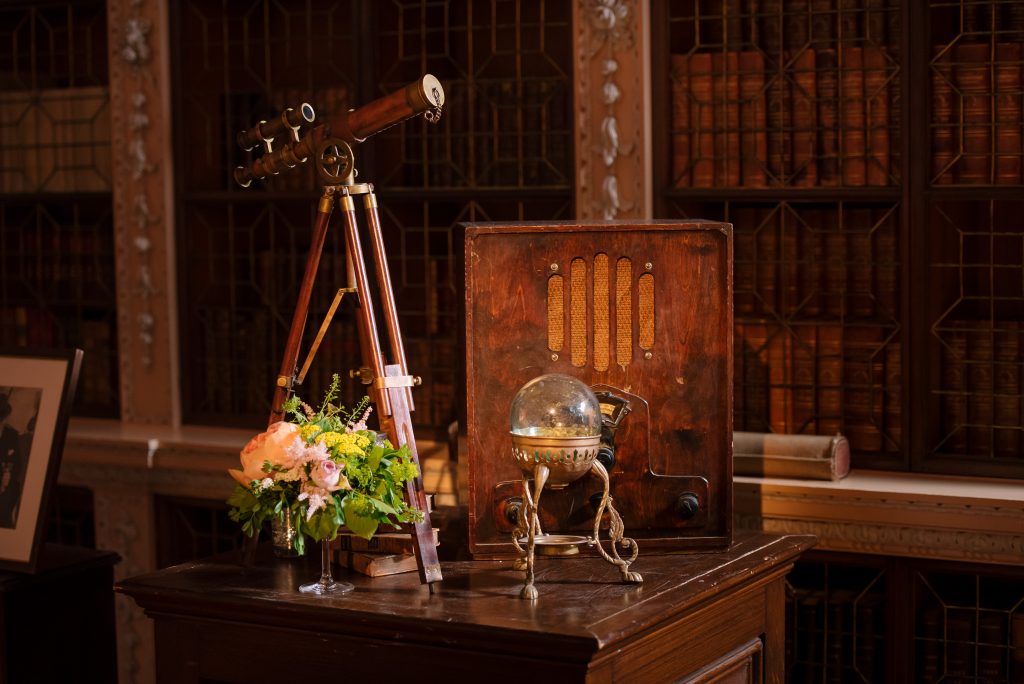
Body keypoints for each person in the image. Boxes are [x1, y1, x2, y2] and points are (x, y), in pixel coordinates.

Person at [0, 393, 24, 528]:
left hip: (7, 483)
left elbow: (17, 464)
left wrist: (7, 476)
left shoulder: (11, 434)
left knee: (10, 495)